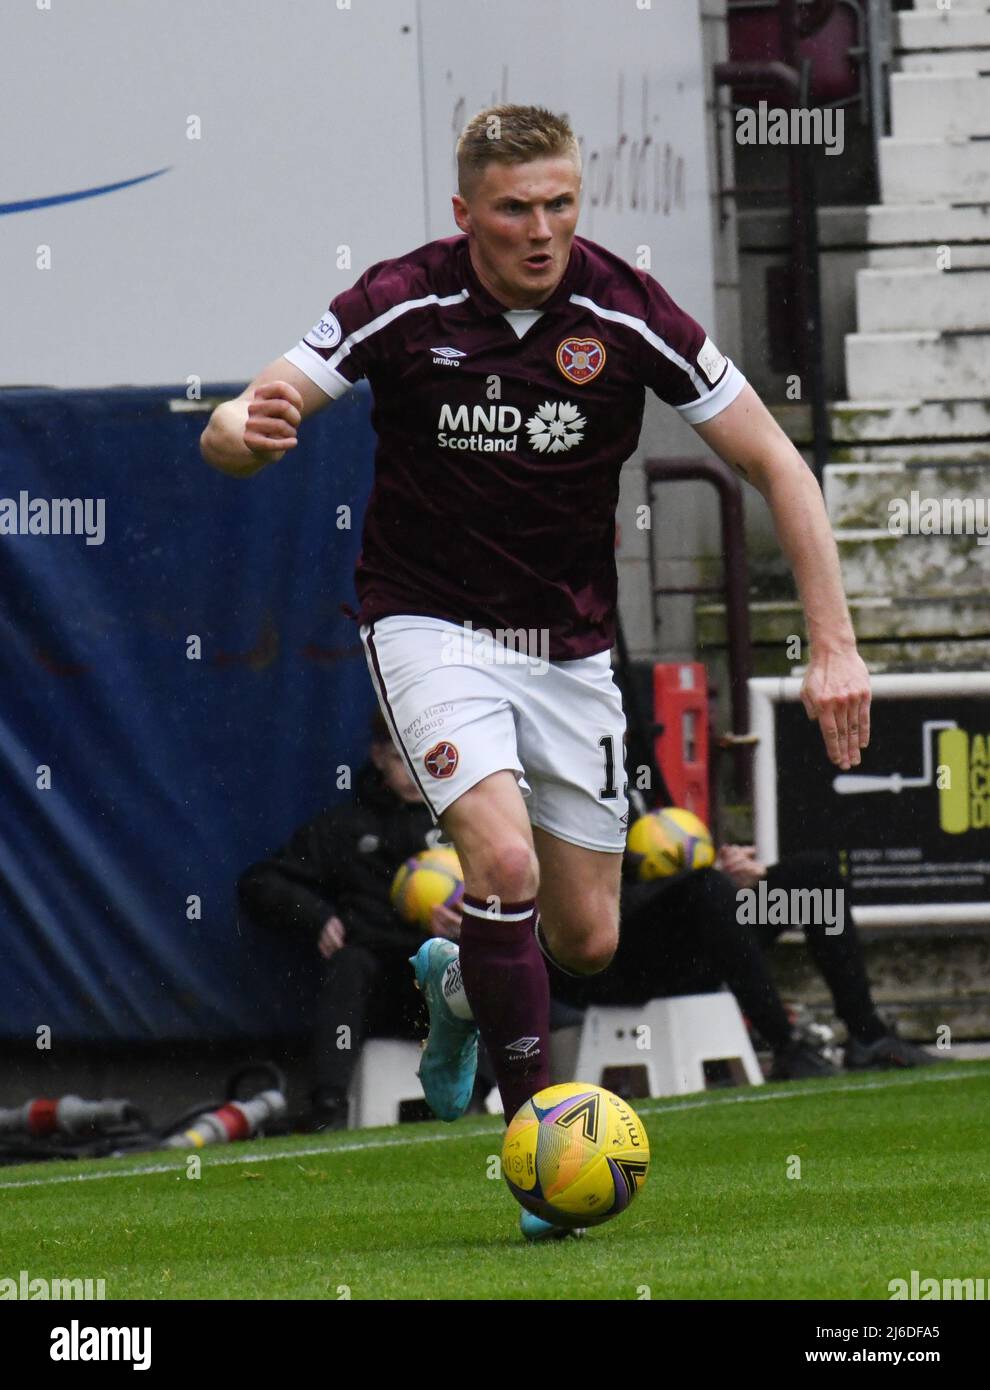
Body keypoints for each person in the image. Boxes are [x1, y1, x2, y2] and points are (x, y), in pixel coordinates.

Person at [201, 104, 871, 1239]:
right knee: (499, 857)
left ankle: (459, 979)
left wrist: (836, 643)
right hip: (428, 626)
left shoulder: (623, 307)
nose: (543, 229)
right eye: (515, 208)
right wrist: (238, 429)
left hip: (569, 648)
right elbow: (248, 415)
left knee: (588, 937)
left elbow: (776, 462)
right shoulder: (401, 300)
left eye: (561, 203)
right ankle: (539, 1159)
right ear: (466, 215)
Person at [237, 710, 459, 1129]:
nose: (413, 771)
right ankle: (329, 1105)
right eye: (400, 758)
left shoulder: (463, 823)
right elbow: (258, 882)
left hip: (437, 992)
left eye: (424, 757)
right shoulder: (345, 827)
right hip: (377, 992)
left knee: (467, 961)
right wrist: (316, 915)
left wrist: (475, 922)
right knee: (349, 962)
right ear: (377, 756)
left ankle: (483, 1091)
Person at [551, 842, 937, 1079]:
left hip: (700, 930)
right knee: (708, 889)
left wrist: (728, 863)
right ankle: (784, 1046)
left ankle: (867, 1036)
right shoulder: (561, 765)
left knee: (814, 877)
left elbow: (677, 840)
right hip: (616, 959)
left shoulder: (638, 756)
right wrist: (677, 873)